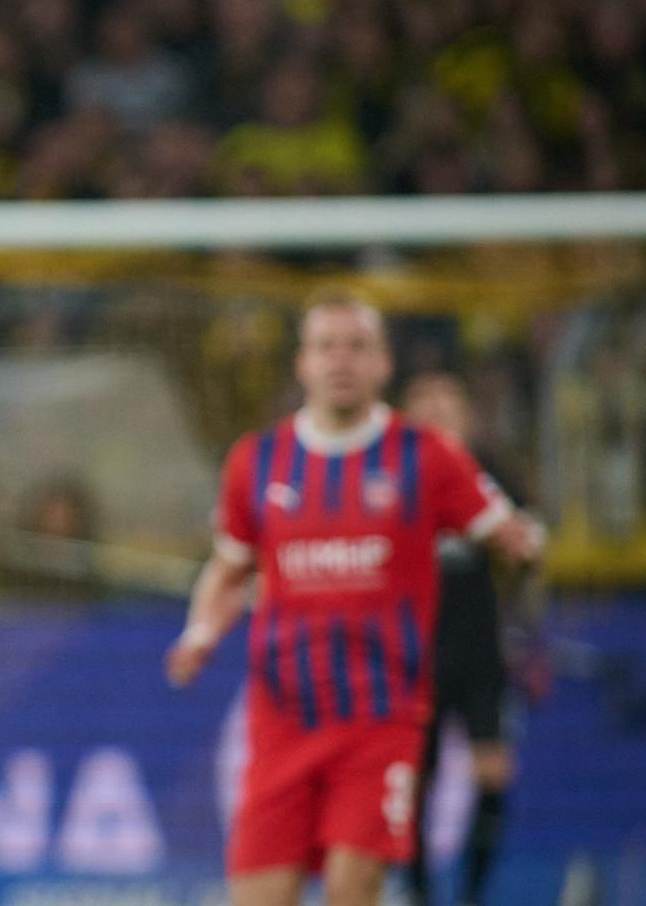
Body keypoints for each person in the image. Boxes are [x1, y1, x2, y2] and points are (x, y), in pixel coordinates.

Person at [164, 290, 535, 906]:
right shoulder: (257, 462)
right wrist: (200, 635)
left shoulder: (429, 455)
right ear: (303, 364)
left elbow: (507, 532)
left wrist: (523, 547)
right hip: (281, 722)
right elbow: (229, 571)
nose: (342, 360)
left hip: (380, 719)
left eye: (358, 346)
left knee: (351, 889)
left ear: (384, 364)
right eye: (326, 346)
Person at [401, 371, 545, 906]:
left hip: (480, 648)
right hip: (415, 654)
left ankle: (471, 895)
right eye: (423, 401)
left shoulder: (492, 473)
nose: (436, 409)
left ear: (467, 415)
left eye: (446, 400)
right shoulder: (391, 478)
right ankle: (417, 893)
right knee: (415, 781)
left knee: (492, 772)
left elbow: (530, 549)